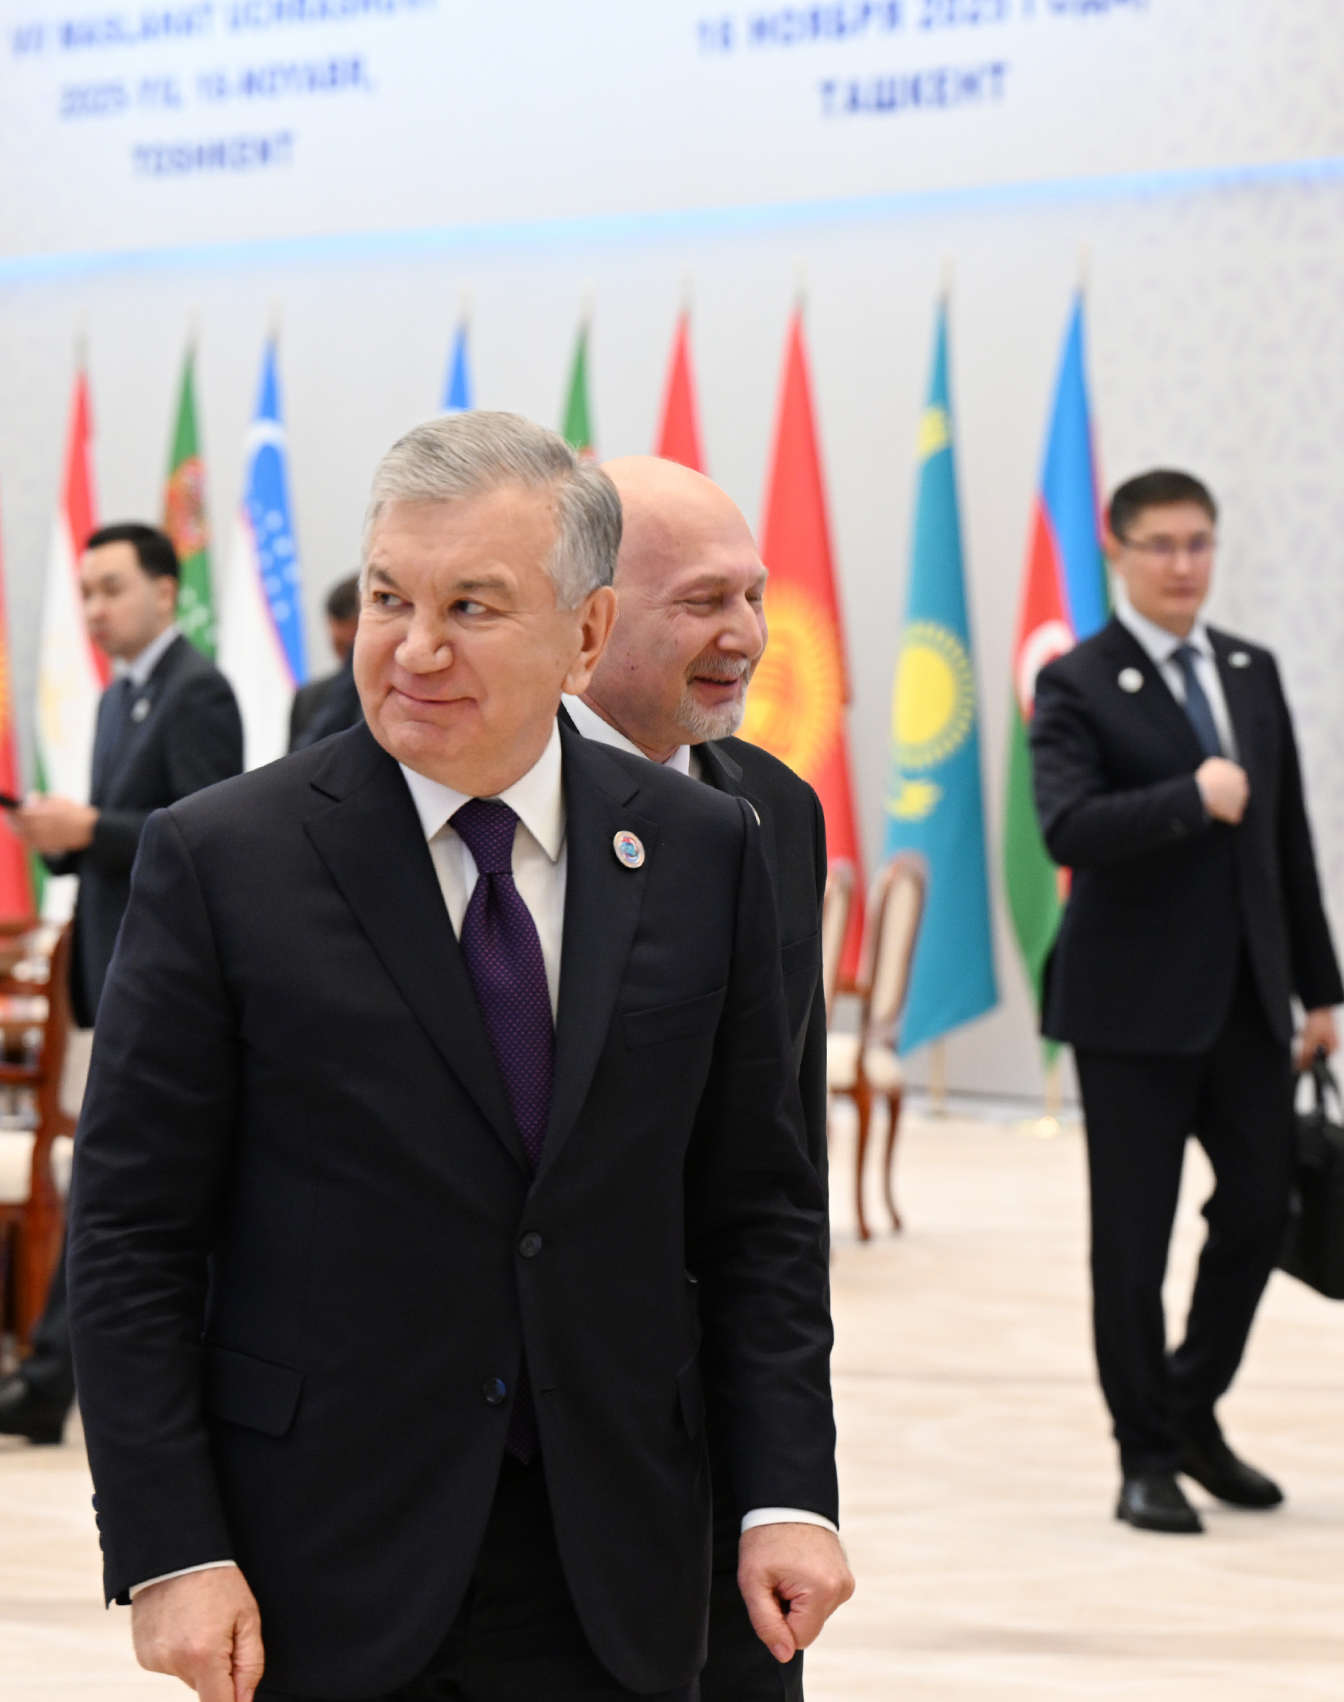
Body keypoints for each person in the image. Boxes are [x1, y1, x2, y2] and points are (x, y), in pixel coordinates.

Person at [69, 413, 849, 1701]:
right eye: (391, 598)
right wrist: (171, 1549)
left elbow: (756, 1209)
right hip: (322, 1557)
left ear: (585, 634)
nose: (414, 648)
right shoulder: (222, 859)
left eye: (471, 607)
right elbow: (131, 1233)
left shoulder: (704, 849)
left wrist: (787, 1494)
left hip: (623, 1549)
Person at [1031, 468, 1344, 1535]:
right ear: (1117, 551)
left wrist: (1319, 987)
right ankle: (1145, 1456)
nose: (1182, 564)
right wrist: (1188, 798)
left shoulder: (1249, 669)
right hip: (1129, 1010)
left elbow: (1285, 837)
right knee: (1133, 1241)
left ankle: (1188, 1404)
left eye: (1198, 542)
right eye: (1160, 545)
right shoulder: (1077, 680)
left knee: (1260, 1208)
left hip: (1250, 1000)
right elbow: (1067, 826)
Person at [574, 452, 831, 1702]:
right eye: (703, 602)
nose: (747, 636)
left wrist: (790, 1483)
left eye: (755, 596)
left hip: (714, 1417)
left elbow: (781, 1164)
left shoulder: (776, 810)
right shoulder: (471, 808)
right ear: (589, 618)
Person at [0, 520, 242, 1446]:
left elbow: (207, 837)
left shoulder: (197, 690)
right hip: (113, 972)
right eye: (85, 593)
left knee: (119, 1189)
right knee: (114, 1188)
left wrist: (91, 829)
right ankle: (52, 1381)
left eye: (112, 588)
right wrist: (64, 838)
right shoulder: (118, 698)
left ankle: (52, 1381)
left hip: (173, 986)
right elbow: (127, 833)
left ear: (165, 590)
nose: (95, 609)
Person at [289, 574, 364, 749]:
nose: (346, 659)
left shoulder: (400, 699)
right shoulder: (308, 699)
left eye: (353, 647)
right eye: (337, 645)